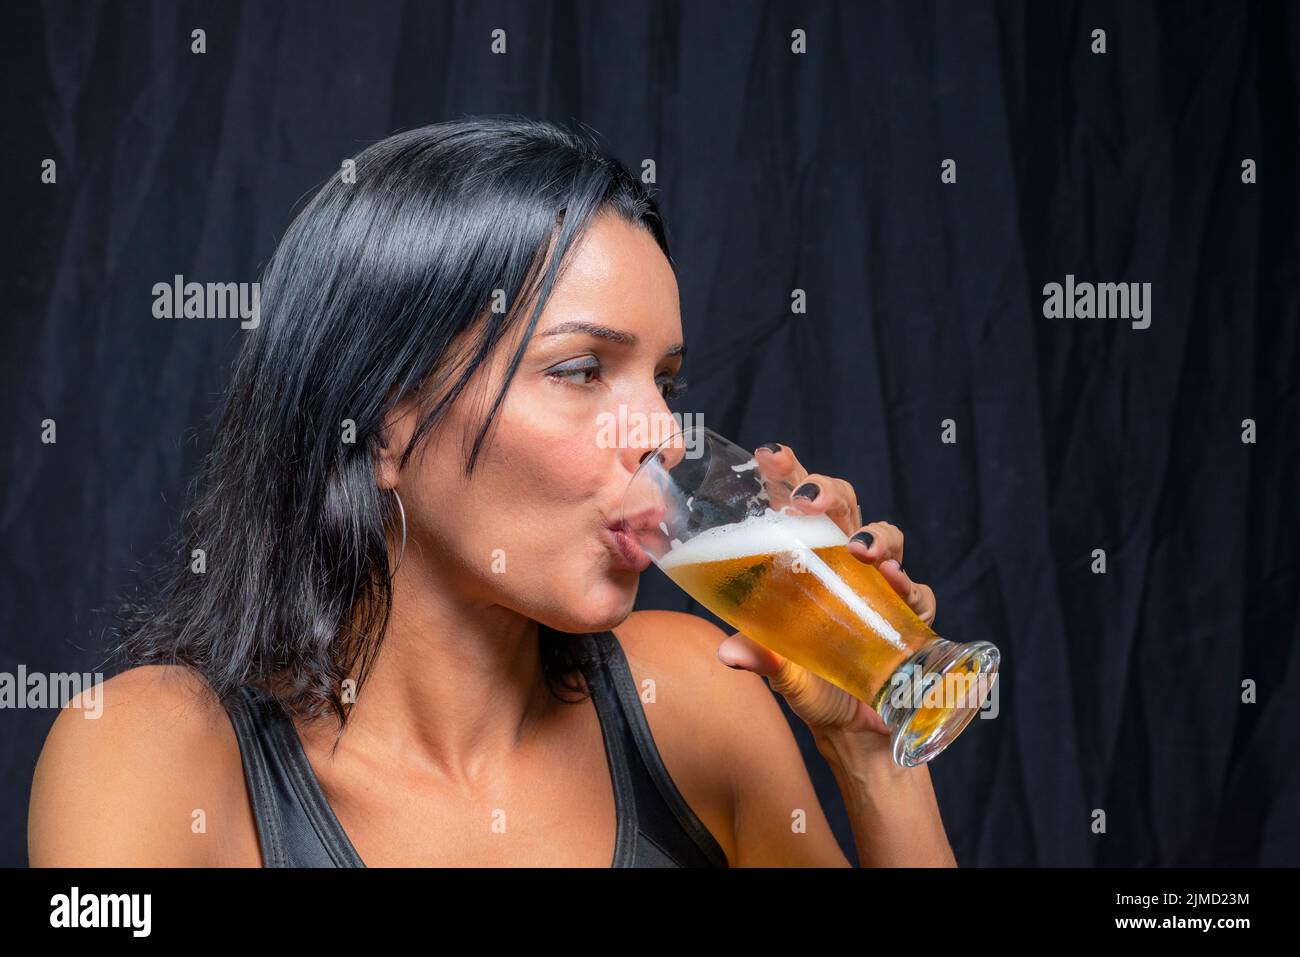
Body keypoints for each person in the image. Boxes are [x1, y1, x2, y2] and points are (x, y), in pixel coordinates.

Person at [27, 116, 954, 867]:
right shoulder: (153, 756)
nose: (666, 437)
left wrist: (875, 745)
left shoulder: (698, 704)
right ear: (381, 420)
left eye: (663, 383)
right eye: (583, 369)